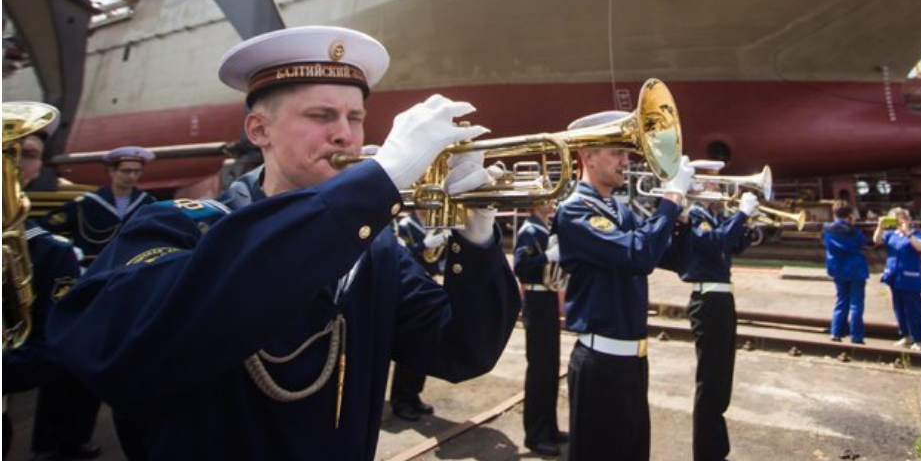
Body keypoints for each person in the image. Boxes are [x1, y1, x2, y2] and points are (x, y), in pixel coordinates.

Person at [47, 25, 521, 460]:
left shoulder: (373, 248)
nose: (346, 133)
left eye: (356, 117)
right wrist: (378, 185)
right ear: (259, 130)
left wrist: (476, 231)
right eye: (321, 115)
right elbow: (120, 357)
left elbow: (462, 351)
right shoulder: (175, 227)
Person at [554, 110, 693, 461]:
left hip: (633, 361)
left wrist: (684, 217)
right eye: (617, 153)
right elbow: (638, 256)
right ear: (587, 157)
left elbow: (673, 259)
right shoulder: (575, 211)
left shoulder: (618, 209)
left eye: (626, 153)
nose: (627, 161)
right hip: (600, 363)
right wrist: (670, 201)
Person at [11, 132, 102, 461]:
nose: (13, 162)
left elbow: (46, 352)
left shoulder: (48, 253)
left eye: (28, 153)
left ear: (36, 167)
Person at [676, 160, 754, 461]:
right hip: (708, 301)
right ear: (699, 185)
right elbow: (713, 242)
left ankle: (717, 450)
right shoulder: (696, 215)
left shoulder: (713, 215)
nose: (720, 187)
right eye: (714, 182)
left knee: (721, 379)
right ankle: (707, 454)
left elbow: (733, 247)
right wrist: (741, 214)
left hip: (721, 300)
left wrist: (746, 221)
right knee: (710, 382)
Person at [42, 146, 160, 265]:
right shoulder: (86, 203)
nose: (132, 177)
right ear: (111, 171)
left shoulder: (147, 202)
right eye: (126, 171)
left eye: (137, 171)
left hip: (130, 265)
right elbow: (50, 225)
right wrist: (67, 249)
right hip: (92, 265)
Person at [512, 198, 567, 457]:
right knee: (539, 371)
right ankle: (536, 435)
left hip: (546, 297)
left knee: (550, 369)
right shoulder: (529, 230)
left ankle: (550, 427)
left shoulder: (544, 228)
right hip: (535, 299)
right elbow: (520, 267)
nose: (553, 202)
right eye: (547, 200)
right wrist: (548, 255)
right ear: (534, 205)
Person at [388, 206, 449, 421]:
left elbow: (436, 260)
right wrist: (425, 244)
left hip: (428, 284)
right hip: (410, 287)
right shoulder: (406, 225)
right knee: (409, 347)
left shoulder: (431, 225)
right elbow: (402, 255)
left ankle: (413, 395)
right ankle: (401, 400)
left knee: (423, 346)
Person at [873, 207, 921, 351]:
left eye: (901, 218)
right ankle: (906, 334)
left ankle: (920, 338)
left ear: (908, 220)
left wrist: (908, 233)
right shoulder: (891, 234)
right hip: (894, 276)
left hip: (910, 276)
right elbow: (877, 240)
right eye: (895, 219)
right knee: (899, 307)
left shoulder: (917, 234)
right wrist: (880, 227)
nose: (899, 221)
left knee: (914, 308)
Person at [823, 202, 870, 344]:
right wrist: (853, 224)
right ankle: (856, 336)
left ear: (834, 213)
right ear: (850, 215)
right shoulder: (853, 231)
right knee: (856, 304)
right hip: (855, 269)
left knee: (841, 301)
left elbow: (825, 243)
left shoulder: (826, 229)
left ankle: (836, 332)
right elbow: (863, 242)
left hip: (837, 269)